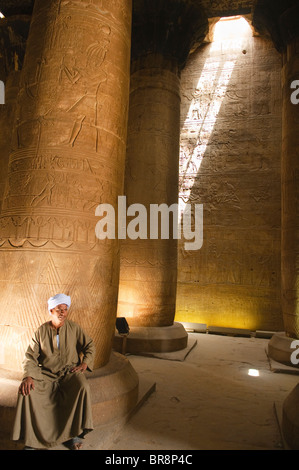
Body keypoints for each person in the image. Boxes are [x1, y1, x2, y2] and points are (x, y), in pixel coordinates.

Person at [11, 293, 95, 450]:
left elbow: (90, 345)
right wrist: (29, 376)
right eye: (58, 309)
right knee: (26, 391)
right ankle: (32, 440)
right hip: (46, 375)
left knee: (82, 386)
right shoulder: (41, 331)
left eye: (65, 309)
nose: (62, 313)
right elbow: (30, 357)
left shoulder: (74, 328)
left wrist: (85, 363)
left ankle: (74, 434)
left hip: (68, 372)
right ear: (51, 310)